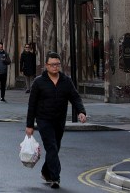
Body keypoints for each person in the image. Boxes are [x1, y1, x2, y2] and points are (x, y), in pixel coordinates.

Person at [26, 52, 87, 189]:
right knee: (51, 147)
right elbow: (32, 105)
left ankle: (46, 171)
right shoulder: (38, 82)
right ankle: (55, 178)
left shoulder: (66, 81)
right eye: (52, 64)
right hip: (44, 120)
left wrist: (81, 112)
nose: (55, 67)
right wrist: (29, 125)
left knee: (55, 147)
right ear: (46, 65)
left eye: (58, 64)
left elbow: (75, 97)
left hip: (59, 120)